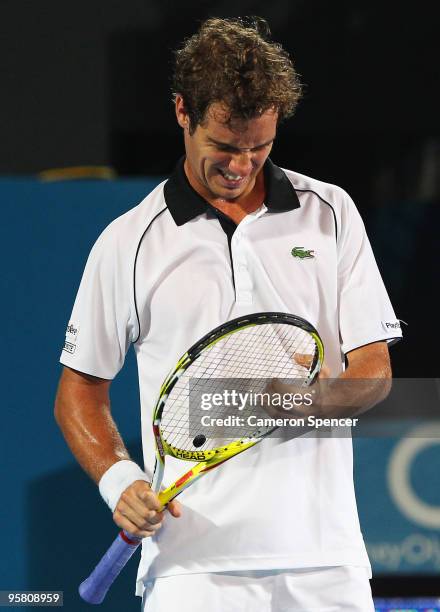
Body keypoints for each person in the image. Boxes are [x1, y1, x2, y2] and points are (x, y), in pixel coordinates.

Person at [55, 16, 402, 611]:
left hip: (325, 558)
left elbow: (374, 369)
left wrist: (305, 400)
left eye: (259, 147)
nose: (241, 165)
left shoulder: (333, 213)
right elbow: (78, 391)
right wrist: (121, 481)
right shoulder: (129, 241)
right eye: (224, 146)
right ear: (182, 112)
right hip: (193, 569)